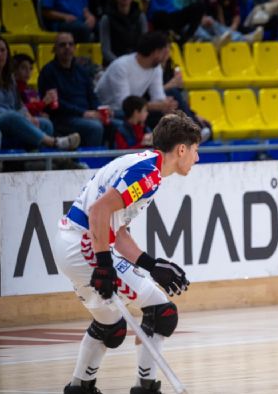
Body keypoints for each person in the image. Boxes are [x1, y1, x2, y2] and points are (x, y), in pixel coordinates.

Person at [54, 111, 200, 394]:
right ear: (181, 149)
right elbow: (99, 211)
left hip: (73, 242)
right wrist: (104, 265)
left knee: (110, 326)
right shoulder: (148, 173)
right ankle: (146, 387)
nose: (196, 158)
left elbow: (116, 230)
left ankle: (79, 387)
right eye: (195, 150)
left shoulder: (144, 164)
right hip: (83, 244)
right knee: (161, 311)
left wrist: (151, 264)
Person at [0, 35, 80, 150]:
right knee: (13, 117)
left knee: (45, 123)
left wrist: (28, 116)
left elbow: (19, 104)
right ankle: (54, 142)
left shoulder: (9, 76)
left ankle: (41, 160)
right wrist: (18, 116)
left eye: (2, 50)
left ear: (7, 53)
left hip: (13, 117)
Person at [95, 31, 179, 130]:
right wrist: (158, 106)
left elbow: (158, 97)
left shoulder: (156, 68)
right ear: (156, 52)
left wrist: (166, 105)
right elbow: (124, 104)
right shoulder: (121, 66)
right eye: (166, 50)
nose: (168, 54)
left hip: (135, 109)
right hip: (111, 110)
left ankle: (193, 130)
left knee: (172, 109)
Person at [39, 33, 107, 148]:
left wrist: (99, 110)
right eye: (62, 45)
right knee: (95, 127)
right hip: (63, 118)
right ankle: (88, 162)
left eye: (71, 44)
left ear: (75, 48)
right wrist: (83, 113)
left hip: (84, 114)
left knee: (115, 123)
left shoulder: (81, 70)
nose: (67, 47)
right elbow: (56, 104)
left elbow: (92, 95)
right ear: (54, 49)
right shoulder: (48, 72)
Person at [174, 0, 263, 48]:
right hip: (185, 25)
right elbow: (178, 16)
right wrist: (197, 19)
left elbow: (200, 11)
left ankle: (243, 38)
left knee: (211, 21)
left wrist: (203, 18)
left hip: (197, 22)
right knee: (197, 28)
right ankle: (213, 41)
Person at [99, 0, 149, 66]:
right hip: (113, 65)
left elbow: (144, 45)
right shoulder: (106, 19)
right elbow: (105, 50)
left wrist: (135, 63)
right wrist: (121, 65)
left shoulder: (141, 17)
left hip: (135, 64)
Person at [138, 0, 206, 43]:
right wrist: (144, 21)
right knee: (161, 15)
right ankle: (175, 37)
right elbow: (144, 2)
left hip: (173, 15)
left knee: (199, 7)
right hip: (158, 17)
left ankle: (186, 38)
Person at [13, 53, 57, 118]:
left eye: (30, 68)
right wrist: (43, 103)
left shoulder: (29, 89)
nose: (28, 71)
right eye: (23, 68)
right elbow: (23, 109)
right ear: (14, 69)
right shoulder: (13, 88)